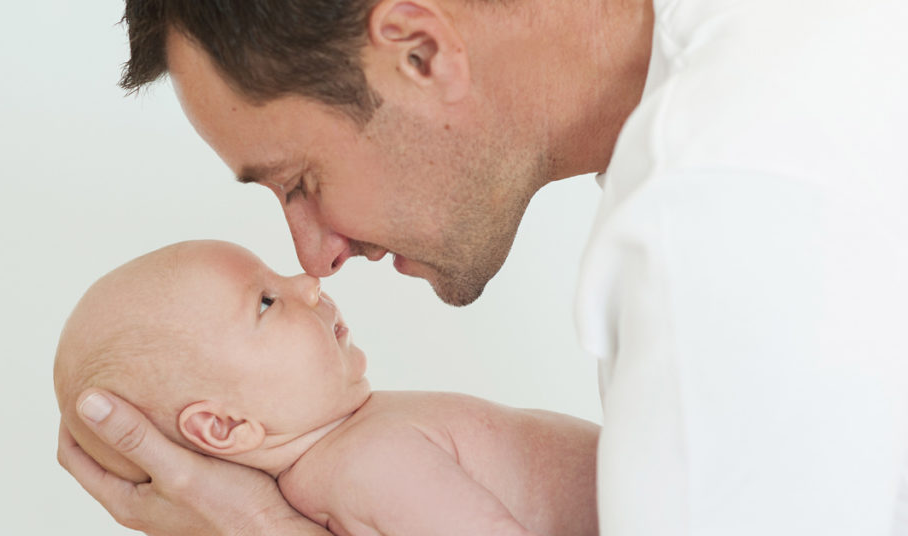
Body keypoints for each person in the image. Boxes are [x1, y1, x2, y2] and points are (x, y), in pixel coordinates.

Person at [57, 0, 908, 534]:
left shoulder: (713, 213)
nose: (316, 257)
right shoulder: (787, 43)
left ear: (420, 52)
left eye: (302, 182)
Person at [54, 240, 599, 536]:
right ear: (224, 426)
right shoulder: (364, 465)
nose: (307, 284)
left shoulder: (347, 461)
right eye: (266, 301)